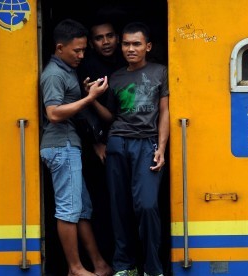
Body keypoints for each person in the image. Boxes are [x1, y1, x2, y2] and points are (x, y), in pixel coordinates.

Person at [93, 22, 169, 276]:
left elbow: (165, 112)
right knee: (119, 207)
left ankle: (153, 268)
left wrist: (162, 147)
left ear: (148, 46)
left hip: (147, 143)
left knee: (147, 206)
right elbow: (111, 116)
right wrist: (91, 99)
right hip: (118, 143)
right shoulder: (115, 77)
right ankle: (125, 266)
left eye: (136, 44)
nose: (130, 48)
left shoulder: (161, 72)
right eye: (126, 44)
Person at [39, 18, 113, 276]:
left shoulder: (68, 69)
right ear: (60, 48)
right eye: (76, 50)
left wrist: (84, 93)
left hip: (71, 145)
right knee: (69, 209)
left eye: (83, 50)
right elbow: (54, 113)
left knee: (81, 208)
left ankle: (99, 264)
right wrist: (90, 98)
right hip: (60, 146)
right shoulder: (54, 74)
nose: (82, 55)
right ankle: (75, 268)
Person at [75, 18, 127, 265]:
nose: (105, 42)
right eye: (99, 38)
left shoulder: (124, 62)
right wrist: (96, 142)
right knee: (101, 203)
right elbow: (83, 110)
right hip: (96, 145)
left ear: (118, 38)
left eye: (109, 36)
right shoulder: (87, 67)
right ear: (92, 44)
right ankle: (105, 257)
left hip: (122, 140)